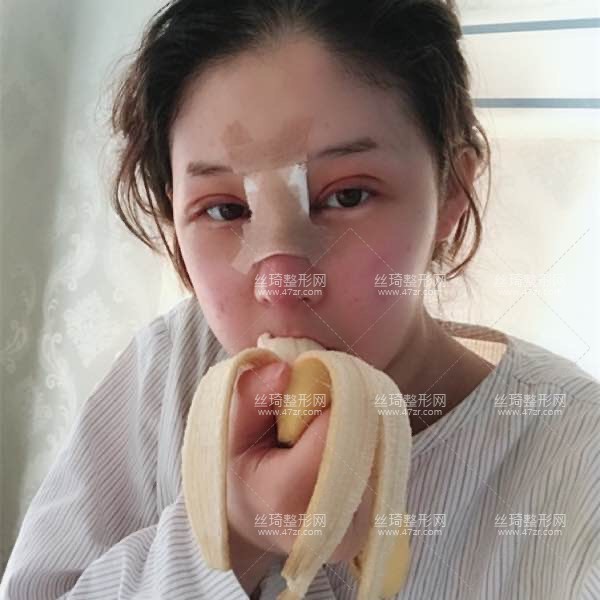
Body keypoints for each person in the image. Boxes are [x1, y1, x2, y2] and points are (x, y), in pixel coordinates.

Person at [1, 0, 599, 598]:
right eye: (224, 210)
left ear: (452, 192)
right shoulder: (171, 367)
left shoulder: (576, 458)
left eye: (347, 196)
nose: (283, 283)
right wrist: (233, 539)